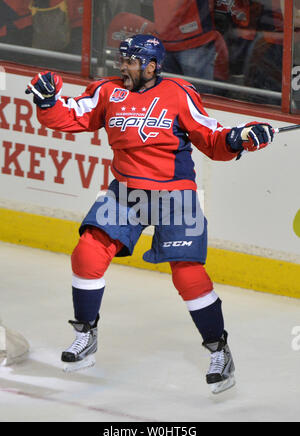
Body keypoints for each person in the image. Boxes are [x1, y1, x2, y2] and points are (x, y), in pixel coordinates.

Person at [25, 34, 274, 394]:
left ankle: (219, 350)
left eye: (128, 61)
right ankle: (85, 334)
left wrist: (243, 138)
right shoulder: (107, 91)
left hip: (176, 195)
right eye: (121, 60)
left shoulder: (179, 93)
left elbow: (213, 137)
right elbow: (69, 116)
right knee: (87, 252)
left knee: (188, 276)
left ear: (151, 65)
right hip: (127, 191)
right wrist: (48, 102)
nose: (121, 67)